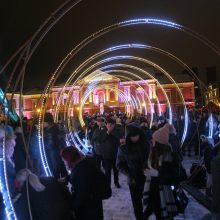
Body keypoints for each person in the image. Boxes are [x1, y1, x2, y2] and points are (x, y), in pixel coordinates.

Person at [143, 124, 180, 220]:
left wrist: (157, 174)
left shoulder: (171, 156)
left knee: (163, 215)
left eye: (154, 139)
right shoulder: (154, 152)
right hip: (153, 190)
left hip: (165, 191)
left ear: (159, 142)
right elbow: (150, 165)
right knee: (152, 210)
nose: (152, 140)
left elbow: (174, 176)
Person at [61, 146, 104, 220]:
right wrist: (67, 178)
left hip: (89, 212)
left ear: (70, 159)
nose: (63, 162)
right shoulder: (83, 164)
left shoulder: (81, 172)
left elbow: (81, 197)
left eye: (64, 160)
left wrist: (73, 209)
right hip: (95, 206)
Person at [117, 123, 149, 220]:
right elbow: (119, 165)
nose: (135, 137)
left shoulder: (146, 144)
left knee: (149, 201)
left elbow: (152, 159)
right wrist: (130, 174)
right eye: (132, 136)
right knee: (137, 204)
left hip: (148, 178)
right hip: (134, 179)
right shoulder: (123, 148)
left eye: (137, 135)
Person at [101, 118, 122, 188]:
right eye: (108, 124)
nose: (109, 126)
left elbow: (120, 138)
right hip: (106, 154)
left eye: (111, 125)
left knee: (116, 170)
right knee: (107, 171)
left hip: (116, 154)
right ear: (106, 125)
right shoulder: (103, 131)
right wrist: (107, 133)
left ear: (114, 125)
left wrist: (111, 132)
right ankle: (108, 184)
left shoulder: (117, 130)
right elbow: (101, 139)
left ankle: (116, 182)